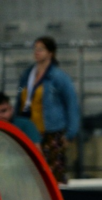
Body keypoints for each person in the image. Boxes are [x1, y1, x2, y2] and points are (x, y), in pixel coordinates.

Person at [16, 36, 79, 183]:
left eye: (41, 49)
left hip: (52, 130)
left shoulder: (58, 77)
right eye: (35, 49)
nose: (37, 52)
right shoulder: (27, 75)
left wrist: (71, 132)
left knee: (53, 172)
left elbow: (71, 103)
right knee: (31, 172)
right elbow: (20, 92)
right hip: (30, 129)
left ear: (50, 53)